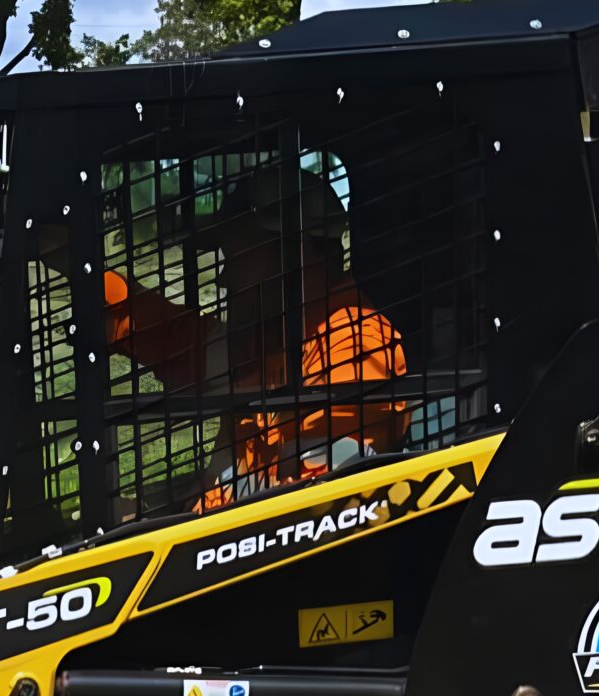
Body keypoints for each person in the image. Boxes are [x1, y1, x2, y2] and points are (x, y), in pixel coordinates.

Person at [99, 170, 408, 509]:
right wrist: (74, 266)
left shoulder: (355, 345)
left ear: (293, 251)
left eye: (234, 258)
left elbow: (314, 512)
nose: (222, 278)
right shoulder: (274, 333)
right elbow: (170, 336)